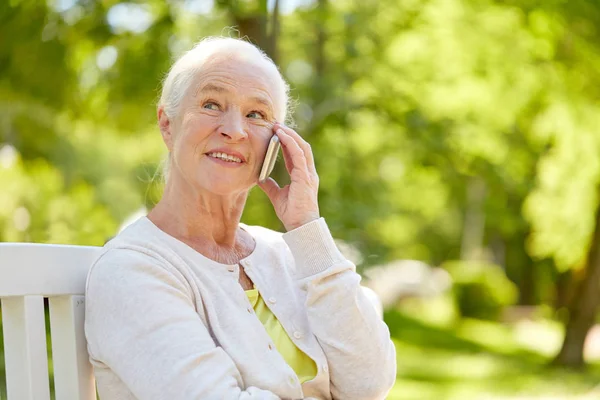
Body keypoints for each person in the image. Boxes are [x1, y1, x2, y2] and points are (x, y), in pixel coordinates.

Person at [84, 37, 396, 400]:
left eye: (256, 114)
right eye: (211, 104)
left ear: (276, 143)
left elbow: (368, 384)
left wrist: (308, 228)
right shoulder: (131, 271)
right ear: (167, 124)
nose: (235, 129)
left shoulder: (288, 253)